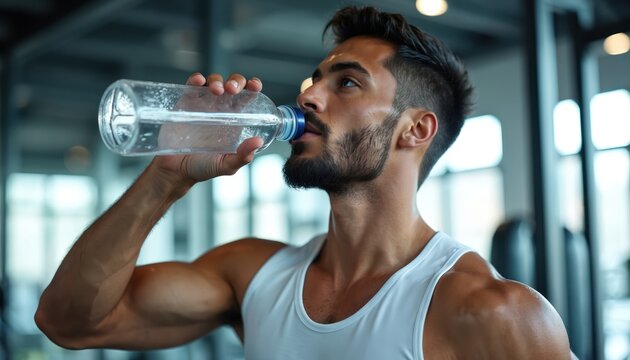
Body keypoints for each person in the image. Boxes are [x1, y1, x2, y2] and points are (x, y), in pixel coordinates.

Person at [35, 6, 575, 359]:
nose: (309, 97)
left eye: (347, 83)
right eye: (315, 80)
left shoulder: (494, 312)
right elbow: (70, 322)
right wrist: (164, 179)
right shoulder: (252, 275)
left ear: (415, 130)